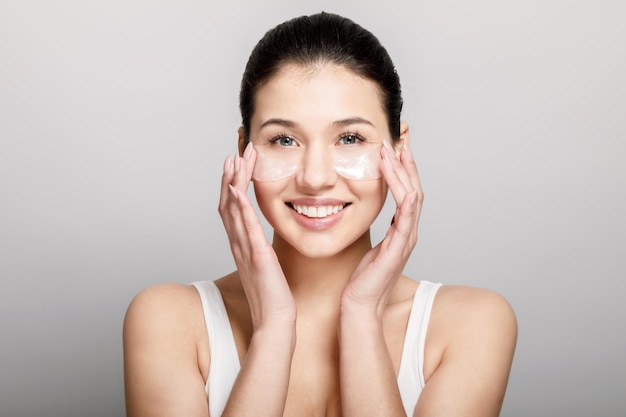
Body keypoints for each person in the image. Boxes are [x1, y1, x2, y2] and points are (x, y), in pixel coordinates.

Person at [122, 11, 517, 417]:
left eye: (349, 138)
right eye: (284, 139)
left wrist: (361, 315)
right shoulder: (168, 321)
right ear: (244, 151)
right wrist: (274, 326)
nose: (315, 177)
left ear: (400, 149)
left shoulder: (472, 325)